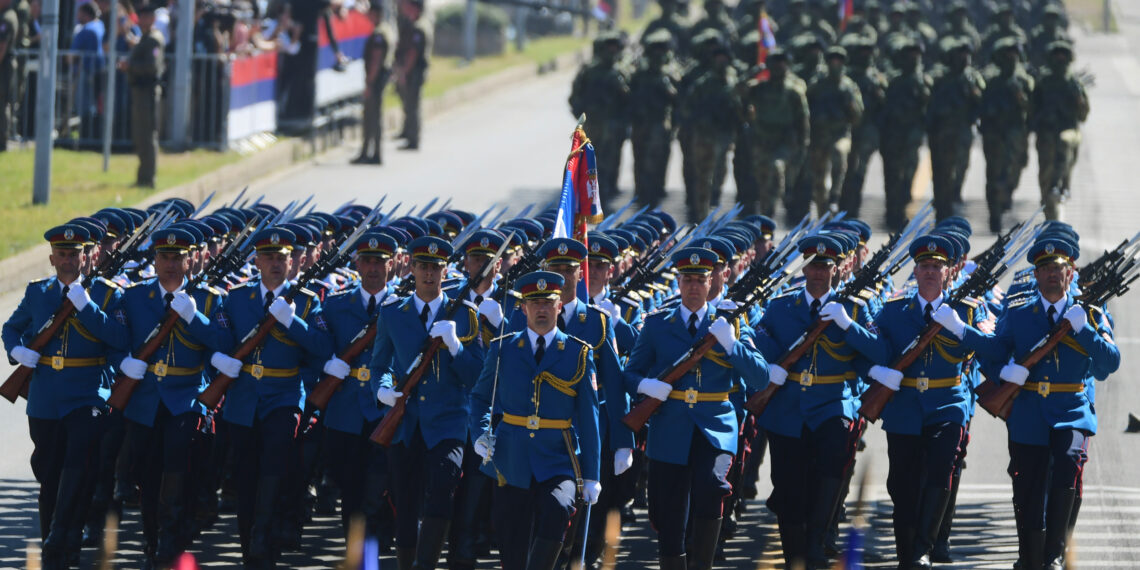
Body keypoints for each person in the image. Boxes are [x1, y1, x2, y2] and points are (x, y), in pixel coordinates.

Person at [976, 237, 1119, 570]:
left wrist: (1084, 330)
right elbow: (992, 353)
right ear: (1036, 276)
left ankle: (1054, 554)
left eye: (1059, 268)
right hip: (1028, 412)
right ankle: (1030, 555)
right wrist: (1003, 371)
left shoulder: (1089, 314)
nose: (1053, 274)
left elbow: (1110, 363)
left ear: (1070, 273)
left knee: (1067, 471)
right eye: (1046, 269)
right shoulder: (1019, 312)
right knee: (1027, 485)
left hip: (1071, 409)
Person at [623, 246, 768, 570]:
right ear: (678, 282)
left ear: (710, 283)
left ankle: (703, 563)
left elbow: (760, 376)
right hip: (670, 425)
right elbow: (630, 373)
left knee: (711, 485)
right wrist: (647, 386)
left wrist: (731, 344)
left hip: (714, 426)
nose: (692, 287)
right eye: (687, 279)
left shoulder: (729, 323)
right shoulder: (658, 324)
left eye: (699, 280)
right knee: (667, 512)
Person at [752, 234, 886, 569]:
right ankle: (794, 552)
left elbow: (881, 351)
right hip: (789, 406)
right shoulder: (781, 306)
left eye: (825, 267)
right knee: (787, 483)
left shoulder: (854, 308)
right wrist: (772, 368)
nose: (818, 273)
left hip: (832, 404)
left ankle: (815, 541)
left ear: (838, 269)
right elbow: (759, 342)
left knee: (831, 467)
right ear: (805, 267)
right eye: (813, 266)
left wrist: (848, 324)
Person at [3, 224, 128, 568]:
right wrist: (17, 351)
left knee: (79, 460)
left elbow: (119, 338)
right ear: (51, 258)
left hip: (87, 394)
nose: (69, 260)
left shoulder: (106, 294)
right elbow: (11, 327)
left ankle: (63, 533)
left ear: (87, 257)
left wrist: (87, 307)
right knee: (50, 471)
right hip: (45, 396)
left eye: (75, 254)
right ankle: (54, 541)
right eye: (62, 254)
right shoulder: (38, 293)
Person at [208, 227, 333, 567]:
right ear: (257, 261)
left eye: (282, 258)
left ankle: (265, 535)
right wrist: (219, 357)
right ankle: (250, 543)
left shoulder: (306, 301)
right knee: (246, 475)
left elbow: (322, 349)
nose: (276, 264)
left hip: (284, 398)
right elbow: (220, 339)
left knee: (275, 468)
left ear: (292, 262)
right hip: (245, 398)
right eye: (269, 258)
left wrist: (293, 321)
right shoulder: (236, 298)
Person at [867, 234, 991, 568]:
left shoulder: (967, 309)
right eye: (924, 266)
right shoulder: (894, 311)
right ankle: (907, 553)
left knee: (940, 471)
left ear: (950, 271)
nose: (930, 272)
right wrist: (878, 371)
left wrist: (963, 330)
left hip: (946, 403)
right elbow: (867, 349)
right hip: (905, 406)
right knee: (902, 485)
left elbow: (995, 350)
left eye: (937, 266)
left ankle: (924, 546)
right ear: (916, 270)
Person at [469, 270, 602, 570]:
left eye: (548, 302)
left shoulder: (578, 352)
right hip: (510, 457)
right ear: (523, 307)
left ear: (559, 305)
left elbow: (589, 418)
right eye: (535, 302)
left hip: (558, 458)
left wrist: (592, 474)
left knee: (558, 509)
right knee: (511, 539)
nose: (541, 309)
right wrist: (480, 434)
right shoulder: (502, 348)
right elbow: (479, 398)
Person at [115, 227, 230, 567]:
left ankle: (171, 536)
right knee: (147, 473)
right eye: (164, 257)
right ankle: (152, 539)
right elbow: (116, 341)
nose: (171, 264)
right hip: (145, 398)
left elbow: (224, 344)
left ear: (190, 259)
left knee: (179, 469)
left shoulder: (208, 299)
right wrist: (123, 362)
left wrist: (195, 317)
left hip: (185, 398)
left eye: (178, 257)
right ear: (154, 259)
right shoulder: (134, 297)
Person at [370, 236, 484, 570]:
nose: (429, 274)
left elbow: (477, 376)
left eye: (436, 267)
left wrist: (456, 347)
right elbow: (379, 365)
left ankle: (426, 564)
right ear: (412, 268)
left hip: (448, 422)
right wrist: (383, 390)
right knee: (404, 502)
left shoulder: (465, 315)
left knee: (442, 487)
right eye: (423, 267)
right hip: (405, 423)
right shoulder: (393, 313)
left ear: (445, 270)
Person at [319, 231, 398, 545]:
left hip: (384, 409)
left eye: (380, 261)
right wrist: (328, 364)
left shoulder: (402, 307)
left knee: (379, 487)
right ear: (357, 264)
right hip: (346, 408)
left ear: (391, 264)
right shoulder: (337, 305)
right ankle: (355, 552)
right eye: (367, 260)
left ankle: (375, 547)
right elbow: (318, 347)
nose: (374, 268)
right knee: (349, 486)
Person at [742, 48, 808, 218]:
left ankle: (778, 201)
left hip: (784, 142)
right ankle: (766, 213)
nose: (779, 66)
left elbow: (802, 120)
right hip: (762, 140)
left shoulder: (794, 91)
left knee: (777, 169)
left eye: (782, 62)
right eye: (775, 62)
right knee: (763, 180)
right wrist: (751, 74)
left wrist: (803, 144)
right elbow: (738, 93)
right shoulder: (759, 88)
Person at [568, 32, 630, 206]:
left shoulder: (621, 72)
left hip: (614, 124)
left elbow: (629, 100)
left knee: (612, 159)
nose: (611, 52)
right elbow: (575, 98)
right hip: (594, 124)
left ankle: (607, 191)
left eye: (615, 48)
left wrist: (624, 120)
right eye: (608, 48)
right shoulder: (589, 72)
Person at [926, 38, 984, 221]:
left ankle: (952, 195)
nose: (963, 58)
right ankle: (943, 205)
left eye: (966, 54)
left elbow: (981, 101)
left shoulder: (972, 78)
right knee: (941, 170)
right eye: (959, 54)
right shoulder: (940, 79)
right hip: (942, 132)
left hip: (963, 130)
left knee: (960, 166)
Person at [980, 37, 1033, 232]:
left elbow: (1033, 108)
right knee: (994, 175)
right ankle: (994, 214)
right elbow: (980, 106)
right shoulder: (991, 81)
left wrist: (1022, 99)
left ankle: (1006, 195)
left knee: (1013, 173)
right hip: (994, 135)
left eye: (1014, 56)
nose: (1011, 60)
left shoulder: (1023, 81)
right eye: (1007, 56)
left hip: (1016, 134)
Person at [1030, 41, 1088, 220]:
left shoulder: (1074, 83)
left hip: (1069, 131)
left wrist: (1079, 102)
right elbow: (1032, 109)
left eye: (1063, 55)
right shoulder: (1043, 82)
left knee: (1064, 149)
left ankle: (1063, 186)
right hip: (1046, 134)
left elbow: (1083, 114)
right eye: (1057, 55)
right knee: (1046, 174)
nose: (1060, 58)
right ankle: (1049, 209)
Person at [804, 45, 863, 216]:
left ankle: (835, 196)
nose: (835, 64)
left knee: (839, 154)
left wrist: (850, 106)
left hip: (840, 134)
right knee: (819, 180)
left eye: (839, 61)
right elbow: (805, 108)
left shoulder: (849, 86)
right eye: (832, 61)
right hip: (820, 137)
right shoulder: (817, 85)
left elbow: (858, 114)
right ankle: (824, 213)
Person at [629, 30, 678, 207]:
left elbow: (677, 98)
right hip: (641, 122)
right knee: (640, 157)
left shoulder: (670, 72)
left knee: (659, 157)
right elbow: (629, 96)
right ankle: (642, 192)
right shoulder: (639, 73)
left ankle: (656, 189)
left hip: (660, 122)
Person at [122, 3, 164, 188]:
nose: (143, 20)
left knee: (147, 136)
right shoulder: (146, 38)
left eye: (147, 17)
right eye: (142, 17)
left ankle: (148, 178)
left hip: (147, 91)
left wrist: (130, 67)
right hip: (141, 91)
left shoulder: (153, 39)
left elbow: (151, 67)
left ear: (153, 19)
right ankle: (143, 177)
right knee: (141, 135)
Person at [353, 1, 394, 165]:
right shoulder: (386, 29)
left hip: (376, 80)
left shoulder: (378, 33)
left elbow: (376, 60)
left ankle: (371, 153)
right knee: (373, 116)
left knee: (372, 117)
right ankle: (371, 152)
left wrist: (369, 84)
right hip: (379, 79)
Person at [395, 0, 430, 151]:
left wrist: (404, 71)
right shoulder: (415, 24)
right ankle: (409, 134)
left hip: (414, 71)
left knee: (412, 105)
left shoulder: (418, 28)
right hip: (413, 70)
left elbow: (413, 54)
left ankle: (413, 139)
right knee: (410, 104)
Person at [0, 0, 17, 151]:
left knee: (2, 103)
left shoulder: (6, 18)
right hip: (5, 66)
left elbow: (1, 47)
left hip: (3, 68)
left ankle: (2, 142)